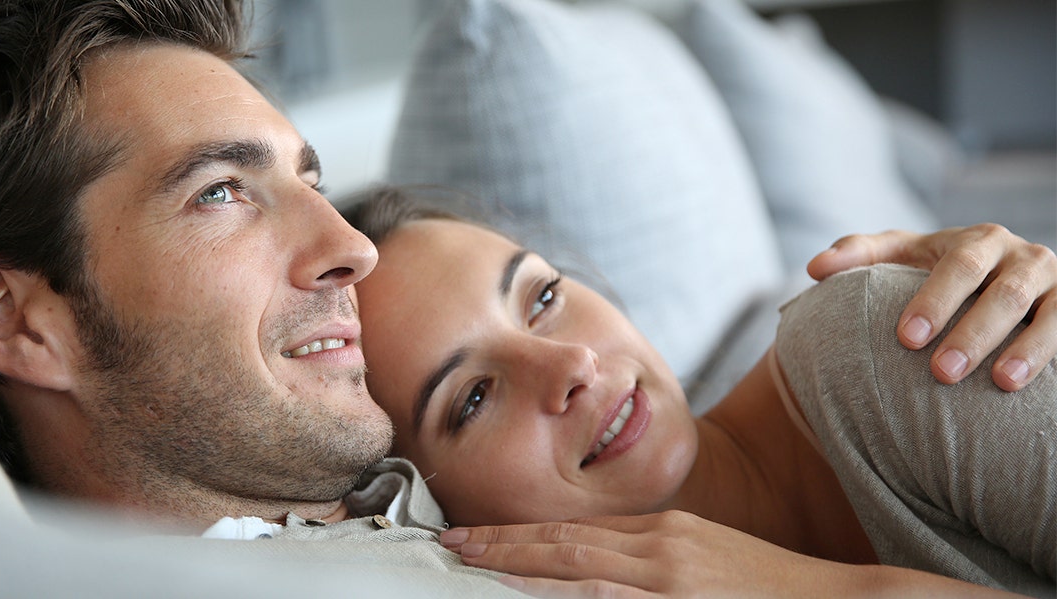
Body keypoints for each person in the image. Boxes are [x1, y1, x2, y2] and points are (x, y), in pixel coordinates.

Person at [0, 0, 1053, 595]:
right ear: (20, 320)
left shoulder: (436, 517)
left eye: (308, 180)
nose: (344, 250)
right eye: (222, 192)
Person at [345, 187, 1056, 598]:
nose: (572, 364)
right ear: (433, 506)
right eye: (472, 398)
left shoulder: (880, 345)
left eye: (544, 296)